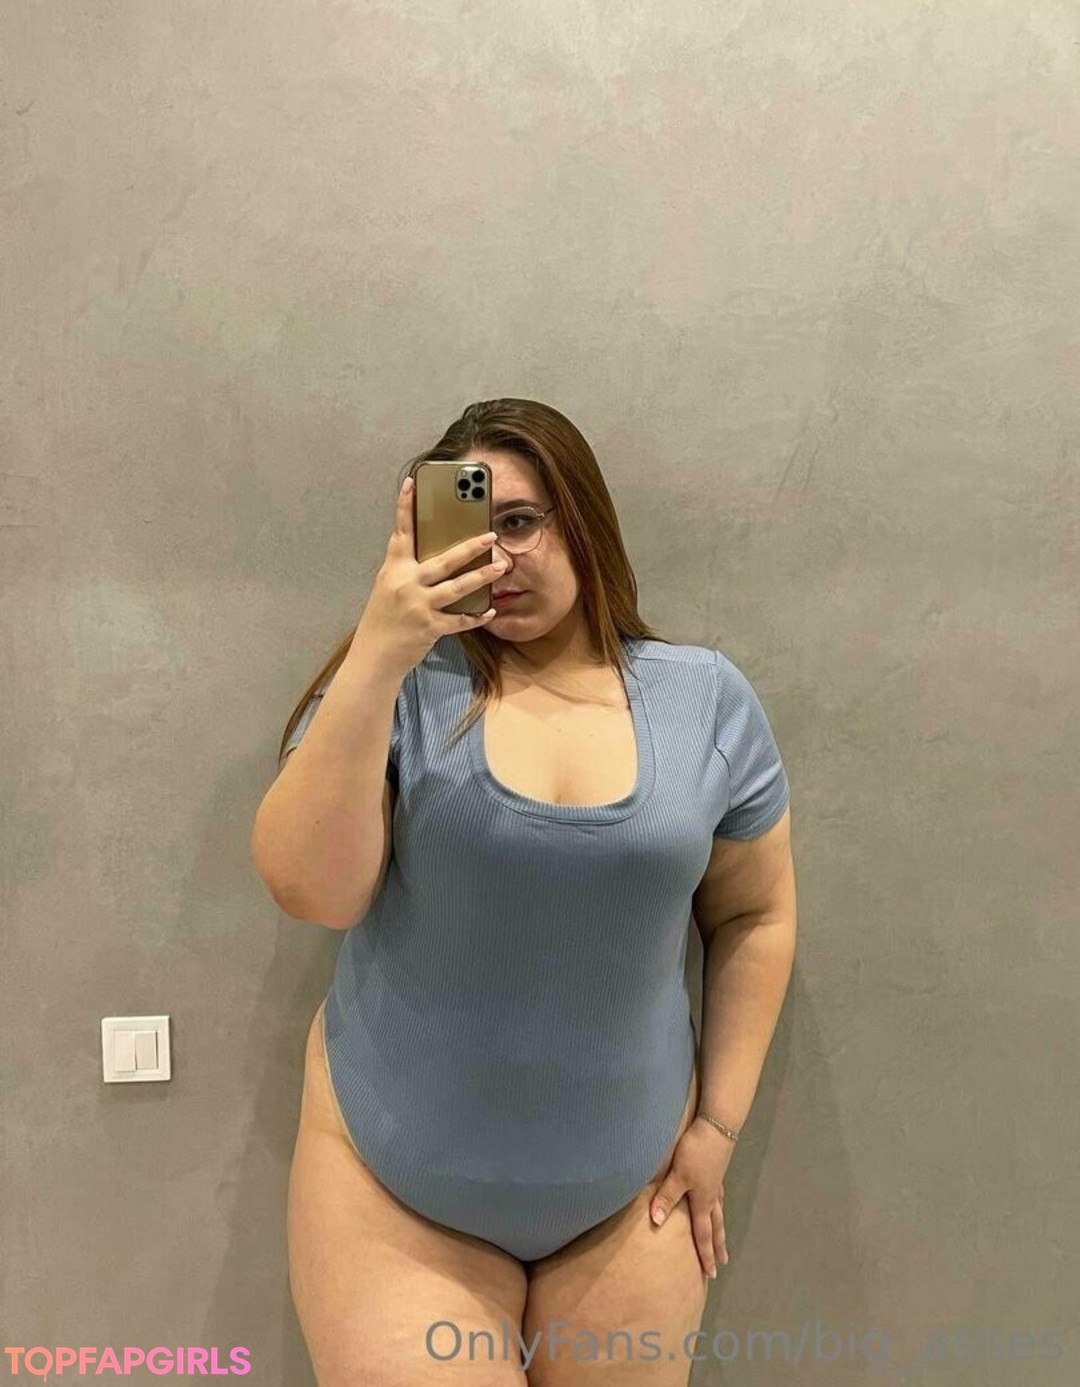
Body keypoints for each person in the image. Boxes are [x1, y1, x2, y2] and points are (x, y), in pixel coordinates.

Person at [251, 399, 797, 1385]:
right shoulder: (400, 689)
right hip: (393, 1200)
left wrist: (718, 1128)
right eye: (467, 525)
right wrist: (380, 647)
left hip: (634, 1201)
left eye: (519, 521)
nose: (497, 556)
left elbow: (755, 915)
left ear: (581, 518)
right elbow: (311, 890)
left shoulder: (706, 699)